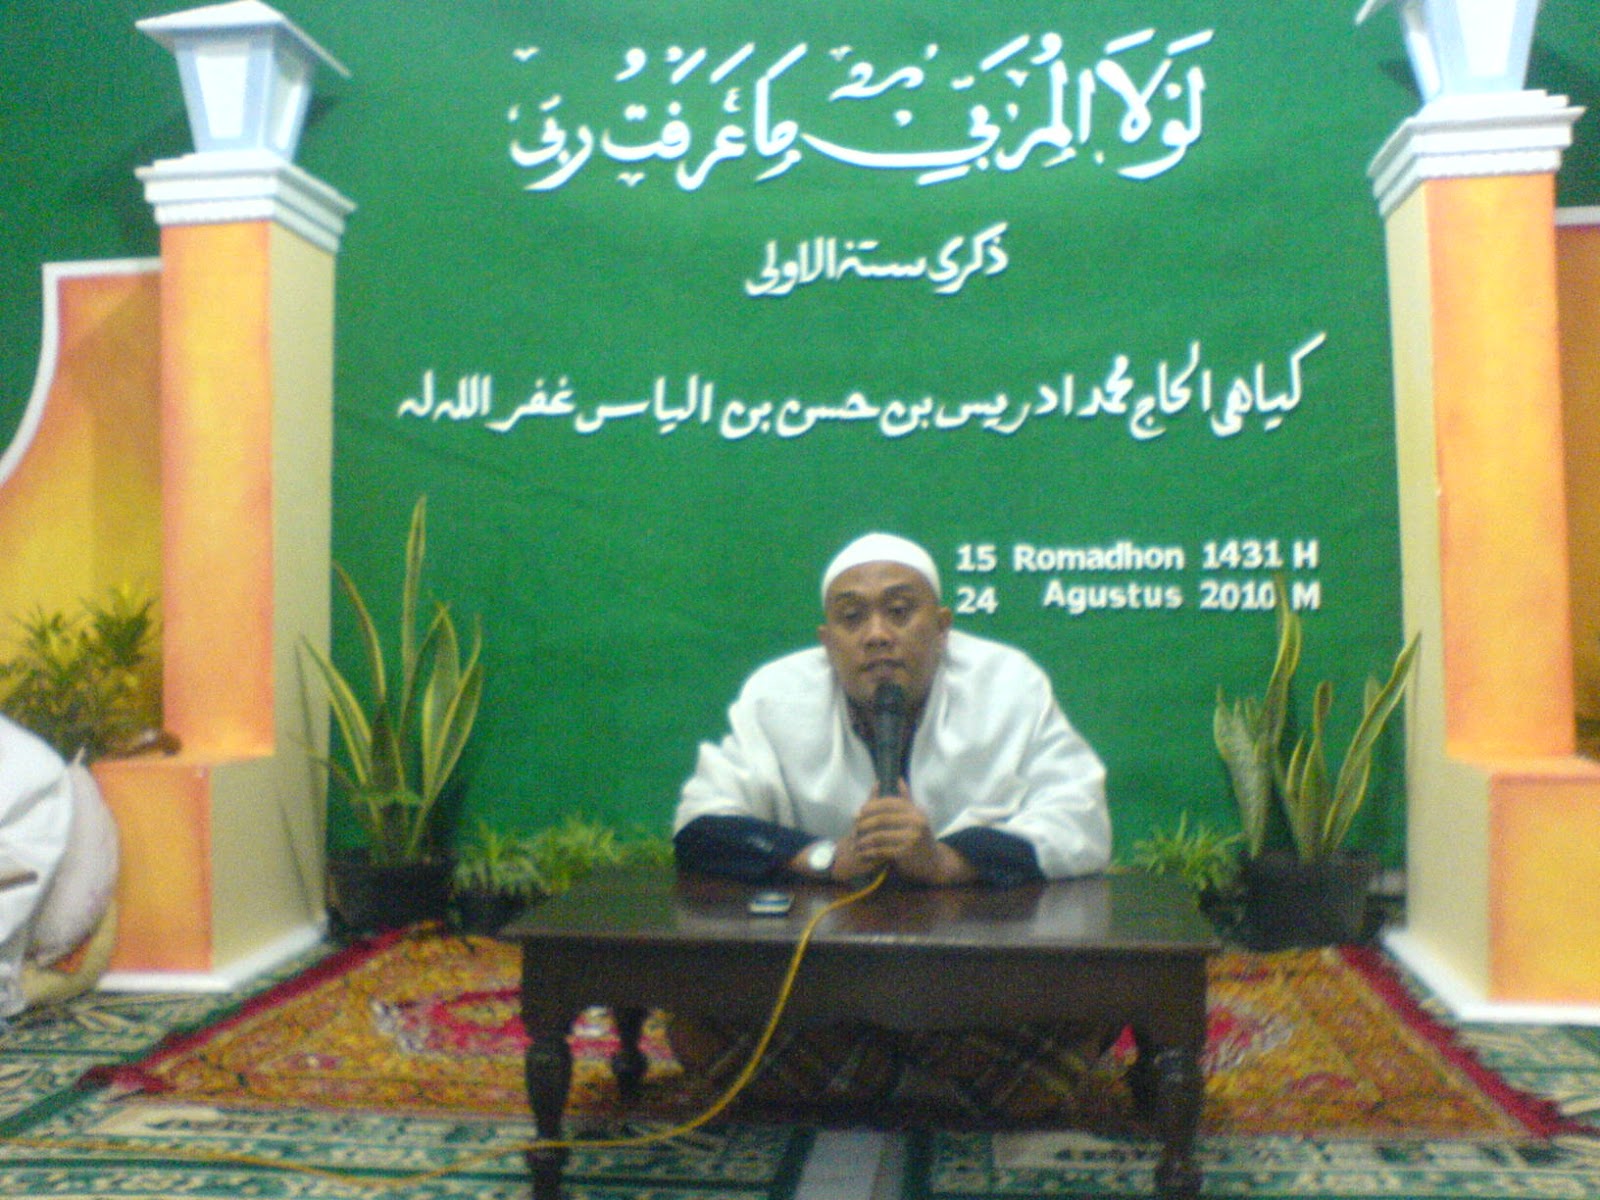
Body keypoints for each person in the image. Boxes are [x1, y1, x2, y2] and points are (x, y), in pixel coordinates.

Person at [668, 532, 1114, 1120]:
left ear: (942, 625)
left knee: (1098, 997)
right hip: (830, 978)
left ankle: (862, 1081)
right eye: (852, 617)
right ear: (827, 640)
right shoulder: (775, 695)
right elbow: (700, 825)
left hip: (977, 972)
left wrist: (948, 862)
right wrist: (828, 859)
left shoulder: (1009, 685)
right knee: (694, 1020)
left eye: (900, 611)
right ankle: (950, 1087)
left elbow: (1081, 818)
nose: (877, 634)